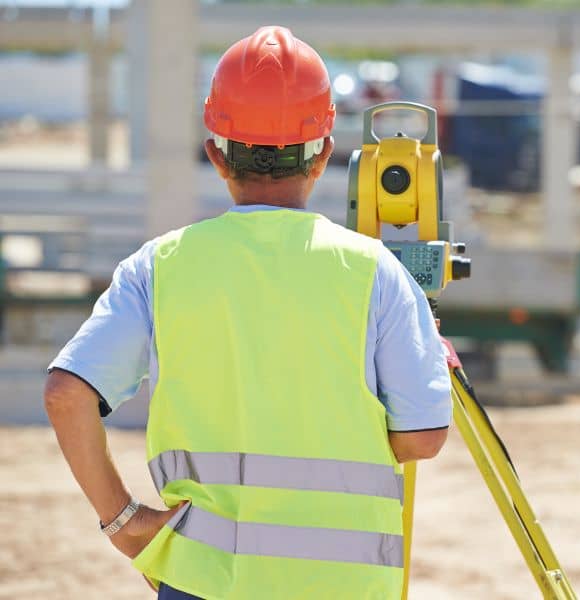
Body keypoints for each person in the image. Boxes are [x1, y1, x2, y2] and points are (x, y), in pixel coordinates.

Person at [43, 26, 451, 599]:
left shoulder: (158, 267)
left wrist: (123, 523)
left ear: (215, 153)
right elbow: (422, 438)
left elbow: (67, 393)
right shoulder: (377, 273)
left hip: (203, 579)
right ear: (324, 155)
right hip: (344, 584)